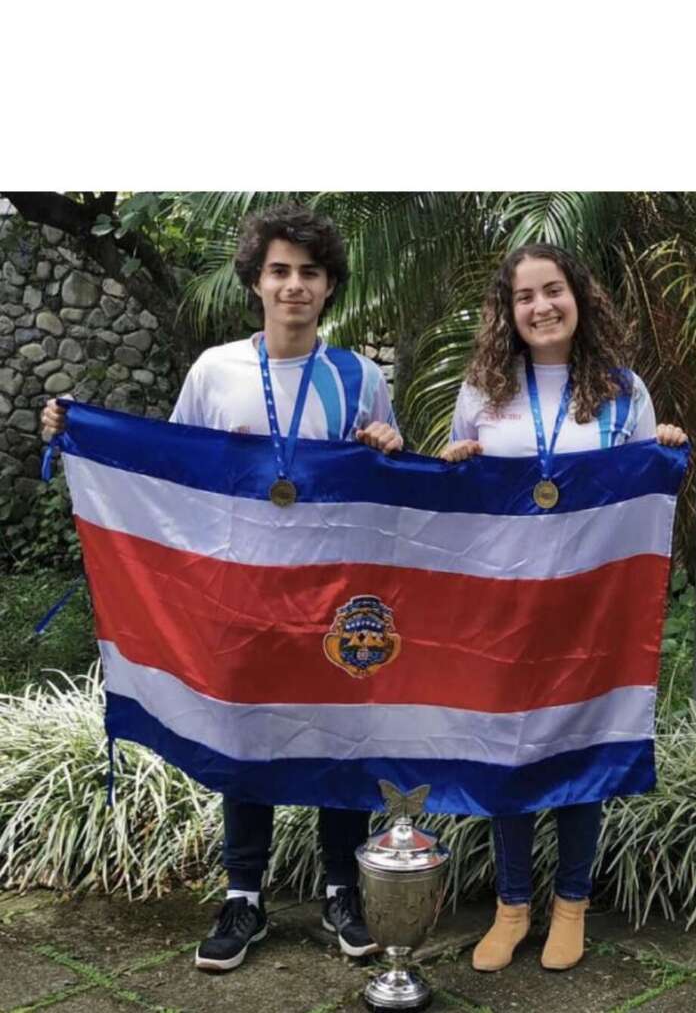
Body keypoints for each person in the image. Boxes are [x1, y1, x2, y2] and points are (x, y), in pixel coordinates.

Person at [41, 203, 403, 973]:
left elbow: (389, 487)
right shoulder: (216, 371)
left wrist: (386, 443)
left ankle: (342, 886)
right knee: (245, 736)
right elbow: (176, 473)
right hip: (240, 594)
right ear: (256, 282)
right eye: (279, 271)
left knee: (342, 737)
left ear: (329, 285)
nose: (294, 286)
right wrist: (79, 432)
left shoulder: (358, 376)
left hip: (333, 595)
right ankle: (243, 894)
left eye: (309, 273)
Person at [440, 243, 686, 974]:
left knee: (583, 747)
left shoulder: (622, 390)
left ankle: (570, 906)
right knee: (508, 751)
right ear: (507, 311)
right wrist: (453, 465)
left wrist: (664, 447)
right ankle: (512, 908)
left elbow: (639, 496)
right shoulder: (483, 391)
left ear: (577, 297)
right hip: (503, 605)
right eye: (524, 296)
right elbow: (461, 495)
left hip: (589, 607)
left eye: (552, 291)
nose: (540, 306)